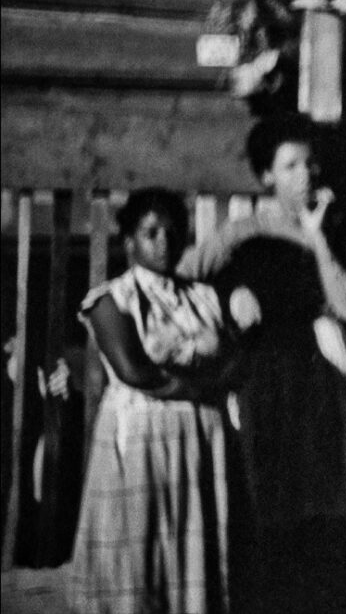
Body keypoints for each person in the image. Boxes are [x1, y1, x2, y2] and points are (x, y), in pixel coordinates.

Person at [178, 114, 346, 610]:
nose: (305, 175)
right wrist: (228, 295)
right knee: (269, 497)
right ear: (267, 175)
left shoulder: (344, 234)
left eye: (310, 164)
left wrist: (318, 238)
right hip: (264, 372)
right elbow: (180, 281)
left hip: (324, 370)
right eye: (290, 166)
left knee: (327, 499)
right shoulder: (243, 233)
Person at [69, 188, 234, 614]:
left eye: (173, 233)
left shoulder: (203, 297)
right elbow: (134, 370)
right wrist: (202, 388)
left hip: (198, 439)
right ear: (129, 242)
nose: (164, 242)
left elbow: (234, 360)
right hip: (142, 440)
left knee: (192, 544)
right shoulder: (113, 298)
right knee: (140, 544)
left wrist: (217, 378)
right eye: (151, 233)